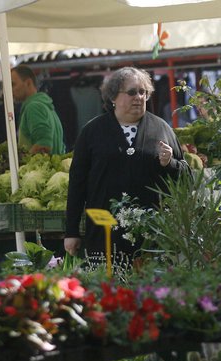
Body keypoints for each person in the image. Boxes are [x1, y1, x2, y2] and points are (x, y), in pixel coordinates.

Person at [64, 67, 189, 262]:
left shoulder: (162, 128)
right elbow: (77, 183)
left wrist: (170, 163)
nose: (139, 97)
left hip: (153, 236)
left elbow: (187, 178)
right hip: (105, 233)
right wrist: (71, 231)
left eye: (143, 92)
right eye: (131, 92)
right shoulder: (92, 132)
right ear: (113, 97)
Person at [10, 64, 66, 155]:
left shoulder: (34, 108)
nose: (10, 90)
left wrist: (22, 163)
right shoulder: (45, 105)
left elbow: (43, 145)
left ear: (28, 83)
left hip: (41, 168)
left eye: (13, 84)